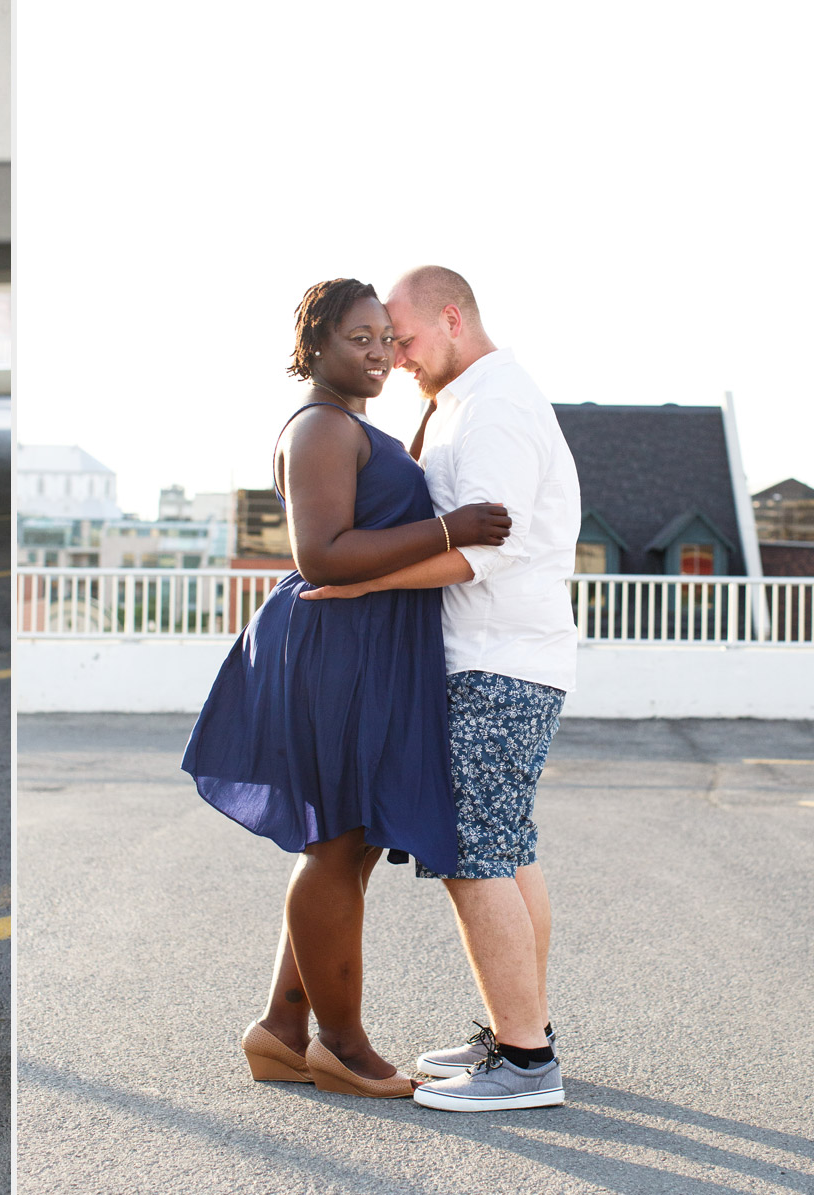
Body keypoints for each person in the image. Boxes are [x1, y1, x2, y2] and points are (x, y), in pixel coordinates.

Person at [181, 278, 511, 1098]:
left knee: (349, 841)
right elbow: (320, 554)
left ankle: (282, 1031)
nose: (378, 354)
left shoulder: (354, 425)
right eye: (358, 337)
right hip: (334, 646)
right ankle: (344, 1044)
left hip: (360, 646)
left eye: (384, 341)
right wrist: (451, 528)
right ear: (318, 343)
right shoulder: (323, 425)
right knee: (335, 843)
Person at [303, 265, 580, 1112]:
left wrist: (362, 585)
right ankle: (519, 1031)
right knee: (508, 847)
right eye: (381, 342)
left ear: (452, 319)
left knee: (475, 854)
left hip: (498, 657)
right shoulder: (468, 400)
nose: (398, 358)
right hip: (508, 654)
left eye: (407, 339)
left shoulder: (494, 405)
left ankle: (527, 1063)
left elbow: (484, 547)